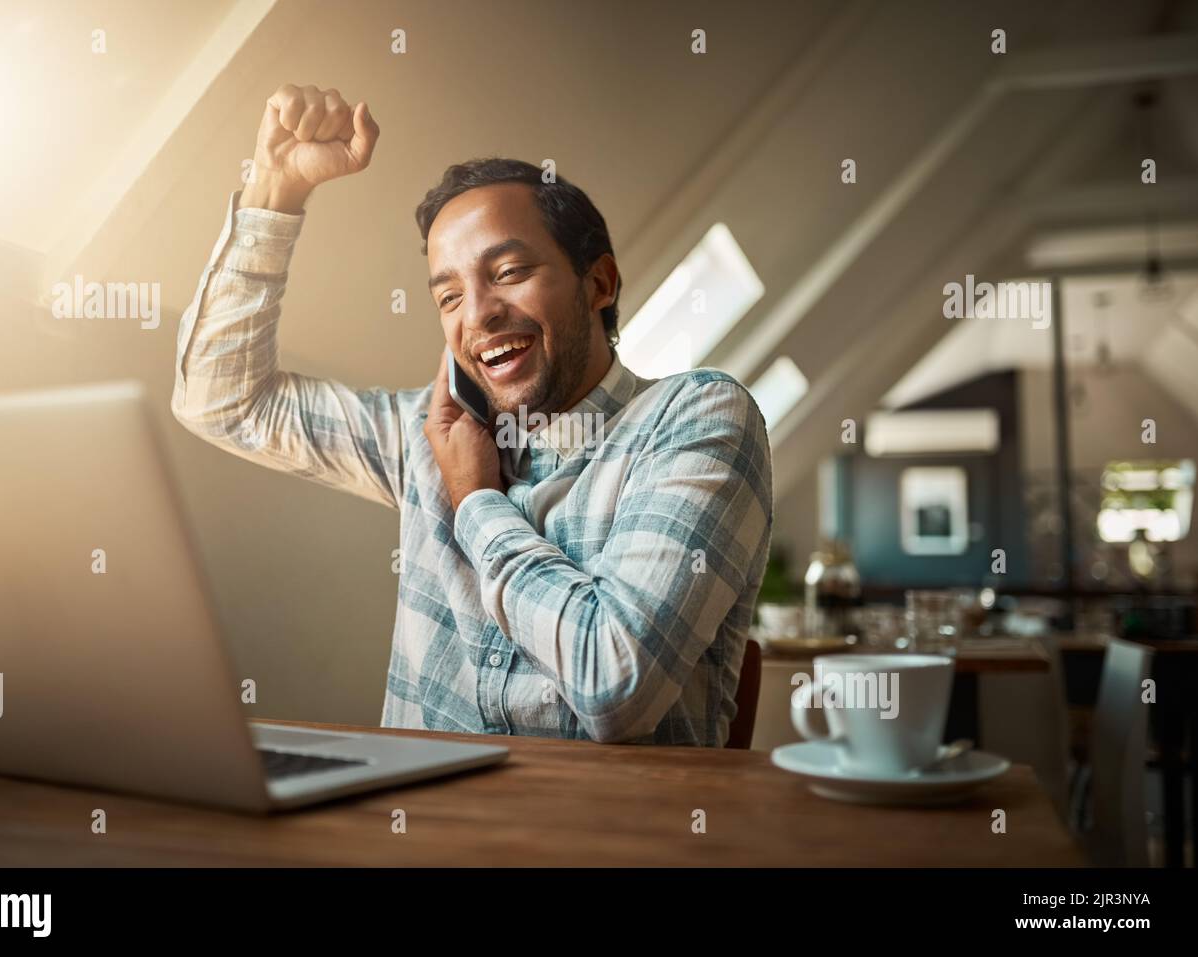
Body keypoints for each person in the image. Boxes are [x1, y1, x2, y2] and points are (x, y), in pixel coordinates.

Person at [172, 83, 773, 745]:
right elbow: (222, 401)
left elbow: (615, 686)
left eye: (509, 271)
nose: (479, 314)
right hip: (409, 811)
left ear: (599, 283)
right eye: (450, 296)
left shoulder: (696, 419)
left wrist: (476, 503)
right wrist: (275, 189)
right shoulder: (429, 434)